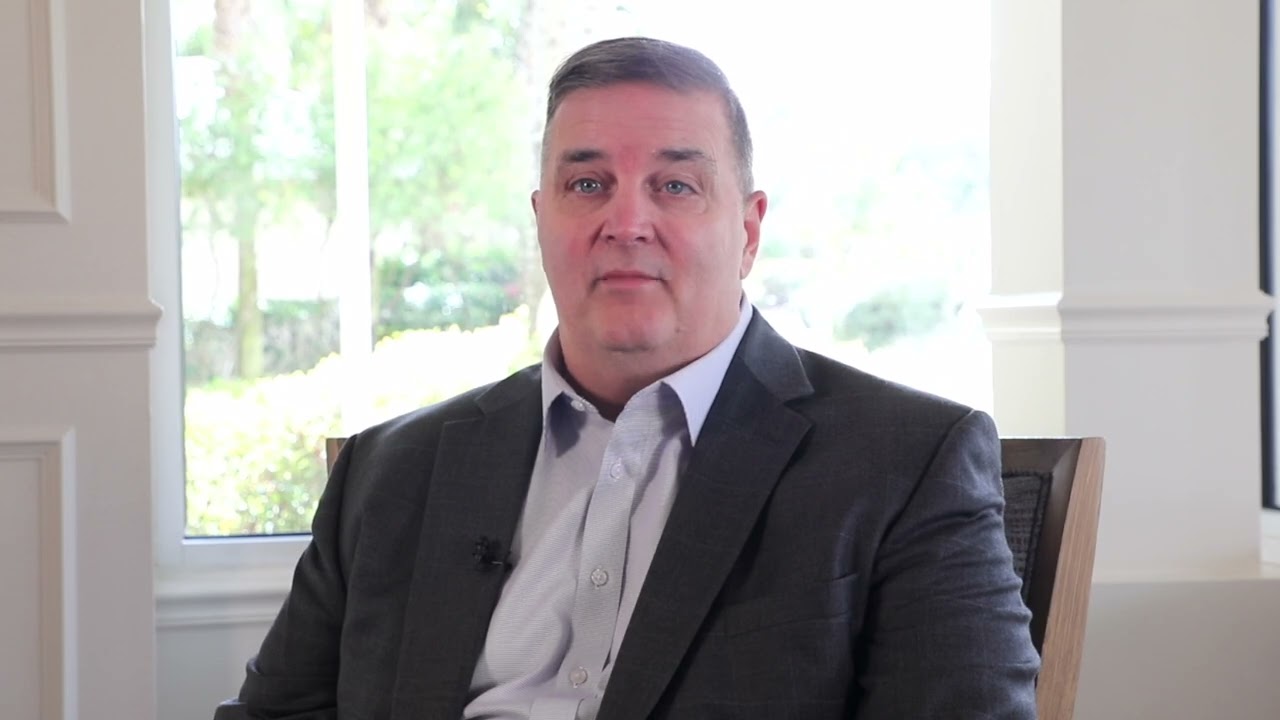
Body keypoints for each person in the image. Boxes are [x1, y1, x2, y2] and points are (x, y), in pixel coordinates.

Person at [215, 36, 1038, 720]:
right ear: (542, 221)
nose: (627, 222)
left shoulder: (906, 463)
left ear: (747, 231)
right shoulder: (391, 470)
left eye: (676, 185)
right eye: (588, 184)